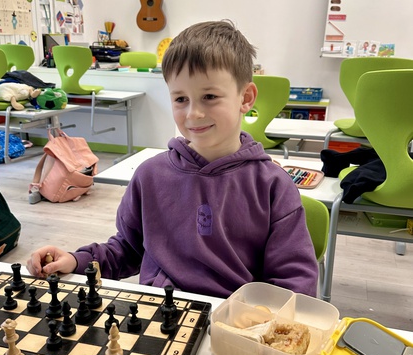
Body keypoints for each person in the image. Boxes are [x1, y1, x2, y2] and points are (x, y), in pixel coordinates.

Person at [27, 20, 318, 298]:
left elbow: (295, 282)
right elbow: (127, 250)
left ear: (246, 98)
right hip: (160, 316)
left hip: (237, 323)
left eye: (209, 96)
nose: (193, 113)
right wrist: (76, 260)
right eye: (180, 99)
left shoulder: (273, 186)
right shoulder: (149, 175)